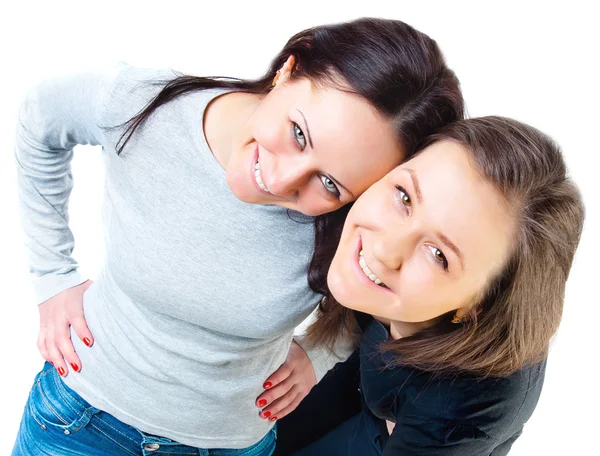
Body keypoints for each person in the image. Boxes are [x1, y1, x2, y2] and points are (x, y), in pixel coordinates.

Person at [11, 17, 464, 456]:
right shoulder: (143, 105)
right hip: (80, 426)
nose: (282, 179)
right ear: (288, 69)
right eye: (298, 133)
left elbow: (377, 296)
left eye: (329, 183)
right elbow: (38, 121)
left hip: (234, 447)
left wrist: (319, 354)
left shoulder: (355, 219)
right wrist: (53, 275)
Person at [289, 116, 584, 455]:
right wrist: (318, 352)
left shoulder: (459, 412)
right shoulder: (364, 206)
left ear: (476, 306)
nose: (384, 250)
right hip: (375, 378)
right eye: (405, 197)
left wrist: (420, 428)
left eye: (439, 255)